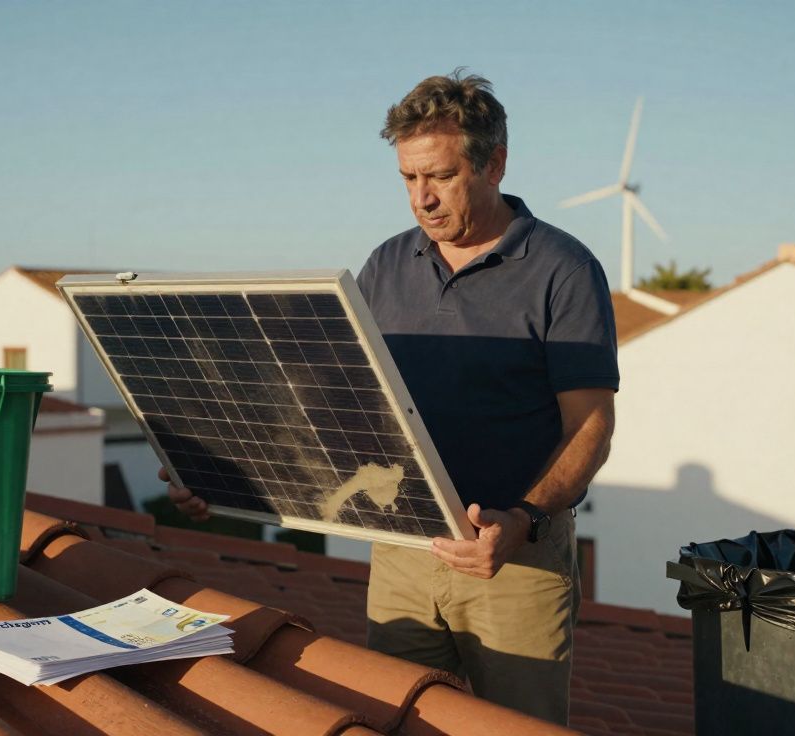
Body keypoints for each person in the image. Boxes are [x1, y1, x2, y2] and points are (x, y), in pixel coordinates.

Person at [165, 70, 618, 727]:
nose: (422, 200)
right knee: (395, 718)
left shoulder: (564, 271)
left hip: (513, 562)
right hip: (403, 552)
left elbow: (591, 428)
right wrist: (223, 472)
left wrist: (522, 520)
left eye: (439, 176)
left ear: (494, 164)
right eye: (408, 179)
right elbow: (335, 407)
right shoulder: (385, 265)